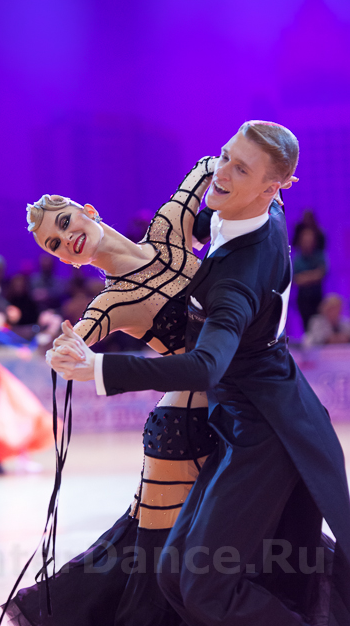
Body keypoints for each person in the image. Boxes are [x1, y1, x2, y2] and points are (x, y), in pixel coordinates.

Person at [49, 121, 350, 626]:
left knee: (205, 588)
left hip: (267, 430)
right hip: (238, 418)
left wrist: (96, 367)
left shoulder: (235, 280)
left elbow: (206, 366)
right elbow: (208, 187)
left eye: (241, 168)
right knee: (172, 575)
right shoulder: (257, 211)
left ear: (271, 188)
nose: (224, 172)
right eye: (225, 155)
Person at [3, 157, 221, 626]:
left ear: (88, 211)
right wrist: (64, 354)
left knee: (237, 540)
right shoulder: (113, 301)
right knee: (153, 556)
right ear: (66, 260)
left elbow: (208, 165)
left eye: (65, 223)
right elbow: (76, 340)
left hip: (234, 410)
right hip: (184, 427)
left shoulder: (168, 229)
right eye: (55, 244)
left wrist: (266, 177)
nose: (66, 238)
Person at [293, 226, 327, 331]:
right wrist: (313, 275)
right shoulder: (296, 258)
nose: (307, 242)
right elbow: (296, 279)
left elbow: (321, 274)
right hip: (303, 298)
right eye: (305, 240)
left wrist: (305, 277)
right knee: (306, 327)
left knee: (319, 325)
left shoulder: (320, 256)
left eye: (309, 239)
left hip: (318, 297)